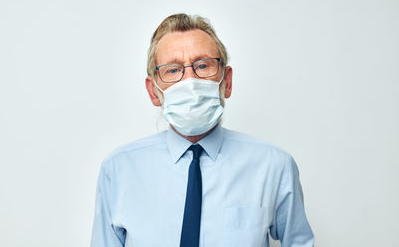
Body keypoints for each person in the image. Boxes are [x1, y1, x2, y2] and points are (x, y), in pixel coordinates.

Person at [90, 13, 314, 247]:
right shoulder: (118, 170)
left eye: (203, 65)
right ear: (153, 91)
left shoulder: (274, 167)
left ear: (226, 81)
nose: (190, 82)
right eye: (173, 70)